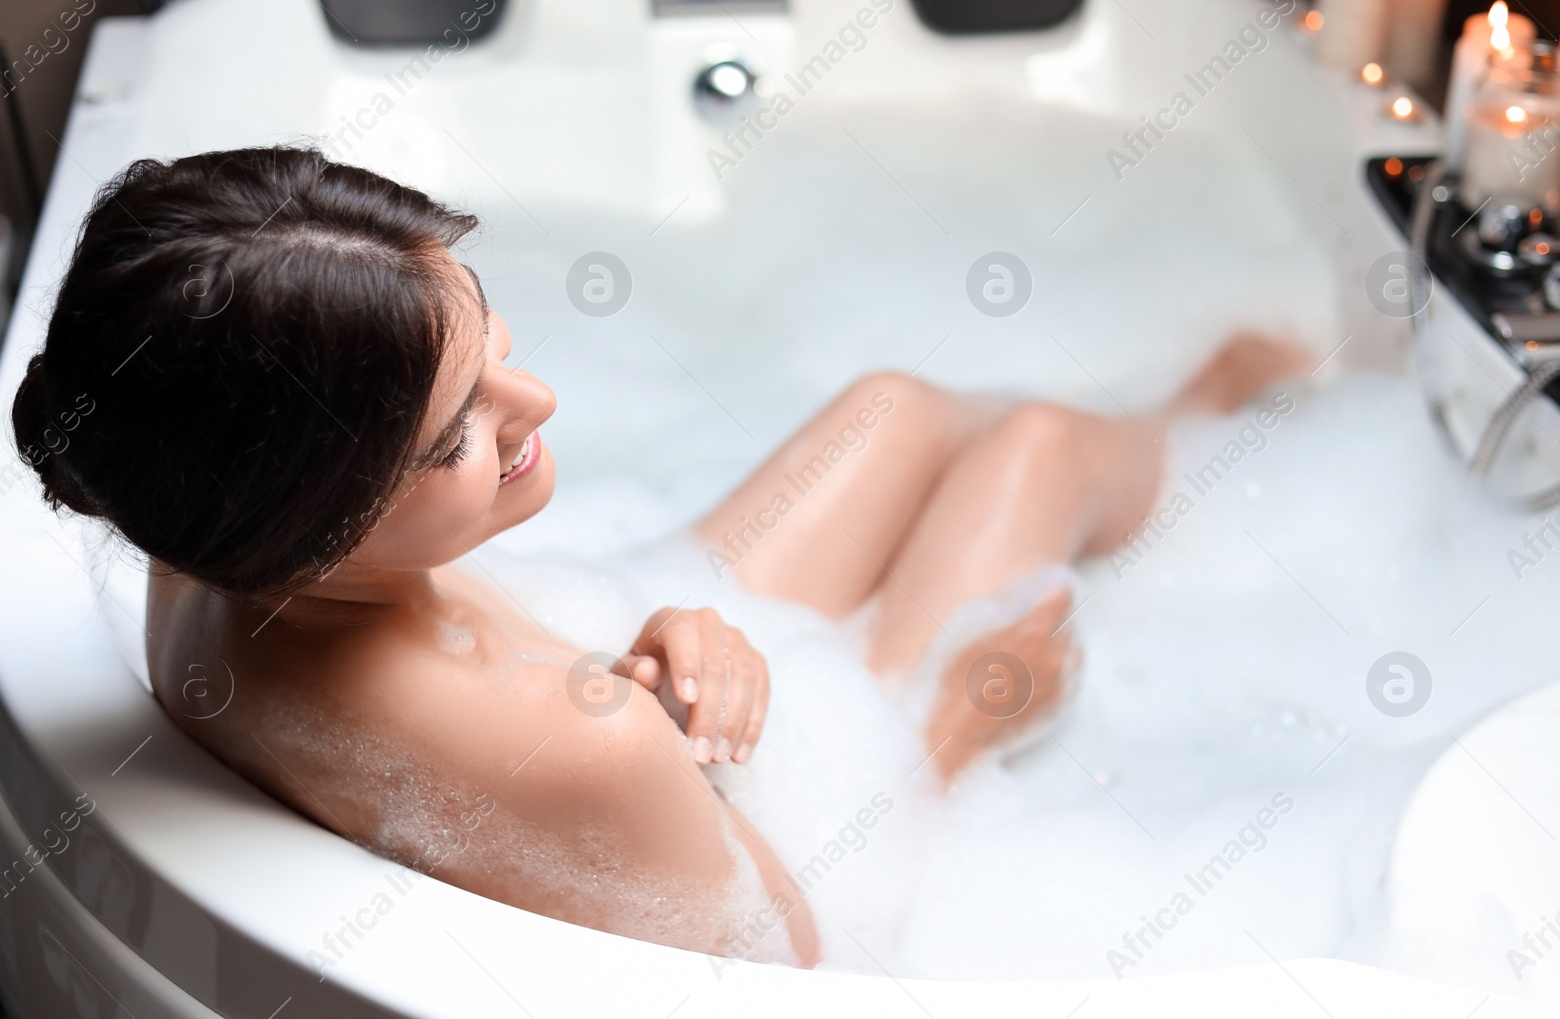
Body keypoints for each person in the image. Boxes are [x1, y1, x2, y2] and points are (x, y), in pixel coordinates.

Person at [9, 147, 1305, 966]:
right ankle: (1209, 423)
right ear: (317, 516)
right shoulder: (579, 749)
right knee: (1029, 454)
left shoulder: (194, 524)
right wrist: (962, 714)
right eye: (462, 435)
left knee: (893, 407)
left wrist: (650, 648)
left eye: (495, 350)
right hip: (801, 819)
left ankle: (1183, 422)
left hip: (618, 670)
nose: (540, 407)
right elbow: (804, 964)